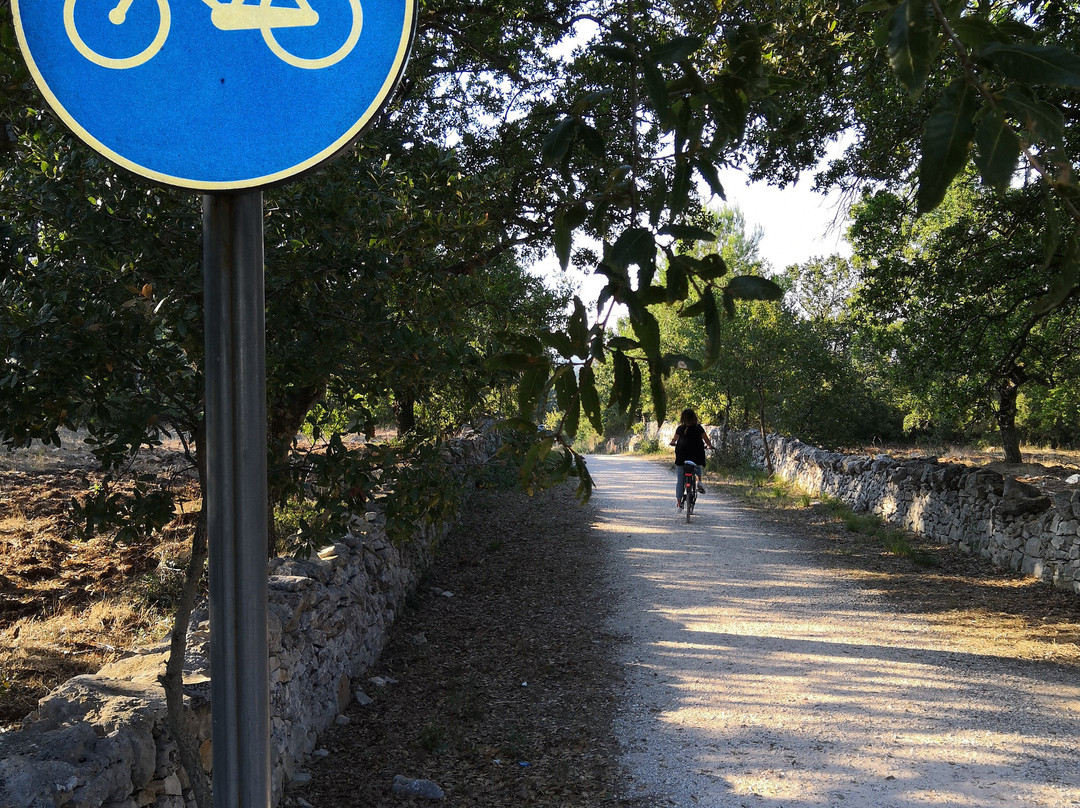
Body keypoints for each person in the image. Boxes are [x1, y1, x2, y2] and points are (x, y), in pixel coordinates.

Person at [669, 408, 714, 509]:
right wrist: (710, 446)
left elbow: (674, 440)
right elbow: (706, 440)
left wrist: (672, 443)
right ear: (694, 417)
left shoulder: (680, 429)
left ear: (682, 418)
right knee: (697, 465)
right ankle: (699, 482)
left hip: (682, 457)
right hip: (696, 456)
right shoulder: (699, 428)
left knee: (680, 479)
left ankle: (679, 502)